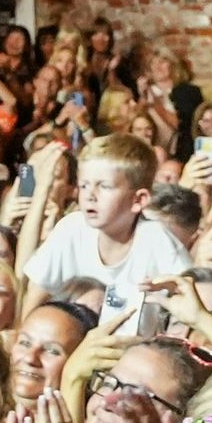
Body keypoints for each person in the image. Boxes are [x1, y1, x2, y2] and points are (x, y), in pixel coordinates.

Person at [22, 133, 191, 315]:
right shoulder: (71, 229)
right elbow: (34, 294)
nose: (90, 195)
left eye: (104, 186)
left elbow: (191, 298)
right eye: (84, 185)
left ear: (139, 200)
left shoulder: (158, 242)